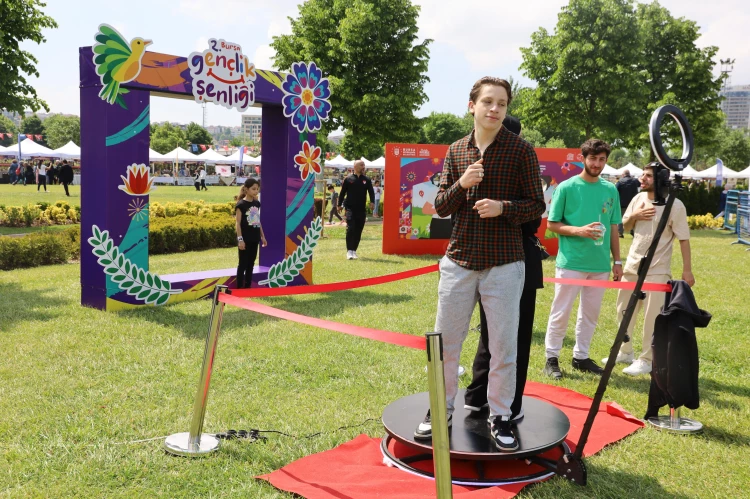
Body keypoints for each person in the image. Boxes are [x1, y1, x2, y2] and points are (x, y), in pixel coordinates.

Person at [414, 77, 545, 452]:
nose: (495, 109)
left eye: (501, 103)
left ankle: (500, 416)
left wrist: (504, 208)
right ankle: (440, 409)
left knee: (503, 347)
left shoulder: (521, 150)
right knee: (445, 344)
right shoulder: (456, 150)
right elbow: (441, 206)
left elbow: (537, 206)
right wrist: (462, 183)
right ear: (472, 105)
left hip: (504, 264)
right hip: (459, 261)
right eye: (488, 101)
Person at [464, 116, 543, 423]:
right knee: (513, 337)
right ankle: (508, 404)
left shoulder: (480, 165)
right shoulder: (498, 165)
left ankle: (477, 396)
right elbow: (533, 218)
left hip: (486, 257)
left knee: (491, 333)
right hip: (509, 258)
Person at [603, 163, 694, 376]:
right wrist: (634, 215)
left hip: (658, 270)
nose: (641, 179)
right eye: (642, 175)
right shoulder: (637, 199)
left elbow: (684, 239)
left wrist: (687, 270)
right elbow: (624, 227)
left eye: (647, 176)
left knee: (652, 317)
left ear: (661, 179)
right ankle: (625, 352)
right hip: (632, 266)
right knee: (623, 310)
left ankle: (647, 359)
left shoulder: (675, 205)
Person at [543, 139, 622, 379]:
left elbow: (614, 227)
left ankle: (581, 357)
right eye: (593, 158)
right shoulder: (566, 187)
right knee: (561, 312)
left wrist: (617, 261)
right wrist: (579, 231)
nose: (597, 164)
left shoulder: (611, 189)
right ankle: (551, 358)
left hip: (600, 265)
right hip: (571, 262)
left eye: (602, 159)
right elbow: (552, 224)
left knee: (590, 314)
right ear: (583, 158)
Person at [338, 159, 375, 260]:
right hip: (350, 208)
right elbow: (342, 193)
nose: (363, 167)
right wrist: (339, 204)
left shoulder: (366, 179)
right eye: (361, 165)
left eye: (364, 165)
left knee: (359, 229)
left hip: (361, 209)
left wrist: (372, 202)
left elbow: (371, 192)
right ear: (355, 167)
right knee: (351, 228)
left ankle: (354, 250)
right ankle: (349, 251)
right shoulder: (348, 179)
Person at [235, 178, 267, 289]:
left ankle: (248, 287)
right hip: (245, 239)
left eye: (257, 189)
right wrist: (240, 240)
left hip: (255, 238)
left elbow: (257, 221)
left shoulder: (257, 203)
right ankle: (239, 288)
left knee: (251, 264)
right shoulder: (241, 205)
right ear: (246, 189)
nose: (256, 191)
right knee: (243, 264)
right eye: (253, 189)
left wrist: (262, 236)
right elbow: (238, 223)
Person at [615, 169, 640, 237]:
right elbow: (640, 185)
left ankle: (620, 232)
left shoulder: (620, 181)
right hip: (633, 203)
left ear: (623, 175)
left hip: (622, 203)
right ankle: (633, 231)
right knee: (634, 217)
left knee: (620, 218)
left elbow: (615, 190)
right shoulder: (635, 181)